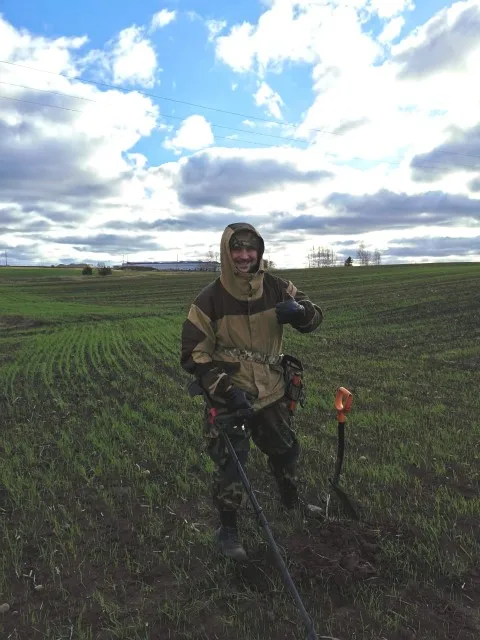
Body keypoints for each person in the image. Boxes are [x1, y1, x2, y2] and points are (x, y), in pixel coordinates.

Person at [181, 222, 324, 561]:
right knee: (231, 465)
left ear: (259, 251)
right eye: (237, 248)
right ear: (226, 252)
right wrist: (227, 391)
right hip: (231, 396)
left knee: (286, 450)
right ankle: (228, 530)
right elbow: (193, 356)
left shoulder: (278, 287)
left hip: (273, 390)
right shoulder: (209, 300)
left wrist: (301, 312)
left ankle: (291, 500)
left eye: (251, 248)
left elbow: (315, 316)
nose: (245, 256)